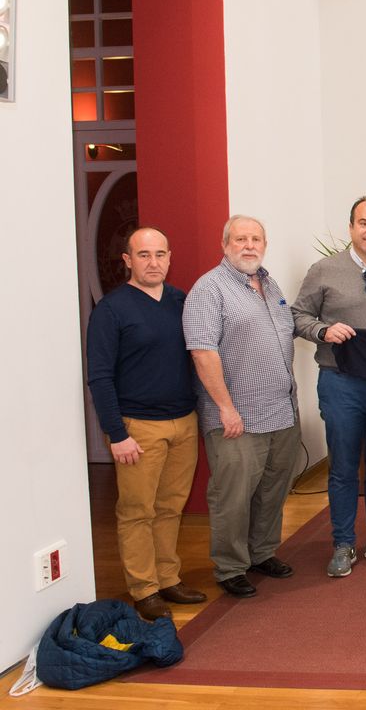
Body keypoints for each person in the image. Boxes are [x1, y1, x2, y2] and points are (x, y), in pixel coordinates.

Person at [86, 227, 205, 621]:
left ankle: (168, 578)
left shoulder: (179, 300)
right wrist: (117, 434)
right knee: (137, 510)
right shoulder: (112, 310)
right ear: (127, 260)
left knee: (171, 507)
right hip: (138, 427)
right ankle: (144, 588)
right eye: (143, 255)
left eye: (160, 254)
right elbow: (99, 376)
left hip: (183, 422)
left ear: (170, 257)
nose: (153, 263)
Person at [292, 196, 366, 578]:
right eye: (364, 223)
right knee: (343, 466)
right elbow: (297, 316)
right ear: (351, 228)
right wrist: (324, 330)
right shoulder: (324, 270)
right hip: (341, 382)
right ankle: (343, 543)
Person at [183, 215, 302, 598]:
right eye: (240, 239)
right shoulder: (209, 289)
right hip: (237, 417)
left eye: (256, 239)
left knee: (272, 490)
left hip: (281, 412)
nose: (249, 245)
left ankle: (262, 552)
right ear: (225, 245)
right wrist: (225, 408)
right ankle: (231, 567)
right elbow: (203, 353)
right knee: (233, 496)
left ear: (264, 244)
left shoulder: (270, 283)